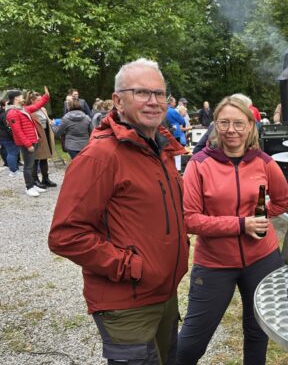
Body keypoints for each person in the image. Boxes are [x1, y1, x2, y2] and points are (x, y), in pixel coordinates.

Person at [48, 58, 189, 365]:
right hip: (128, 302)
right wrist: (132, 267)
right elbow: (65, 235)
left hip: (165, 293)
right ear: (118, 101)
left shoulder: (157, 148)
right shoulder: (100, 156)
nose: (153, 102)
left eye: (159, 93)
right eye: (141, 93)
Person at [177, 95, 288, 365]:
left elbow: (284, 200)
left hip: (263, 259)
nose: (232, 130)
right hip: (215, 263)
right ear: (215, 125)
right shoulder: (199, 164)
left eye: (239, 123)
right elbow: (190, 219)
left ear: (251, 126)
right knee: (192, 342)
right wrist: (241, 224)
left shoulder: (264, 161)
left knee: (257, 332)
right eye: (224, 122)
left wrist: (261, 217)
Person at [6, 87, 50, 197]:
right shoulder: (12, 113)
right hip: (27, 143)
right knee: (28, 166)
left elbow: (36, 106)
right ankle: (29, 187)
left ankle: (33, 184)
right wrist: (28, 144)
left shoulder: (23, 109)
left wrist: (46, 97)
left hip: (33, 141)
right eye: (21, 96)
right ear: (16, 98)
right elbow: (18, 131)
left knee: (31, 165)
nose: (23, 98)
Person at [24, 91, 56, 187]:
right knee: (35, 159)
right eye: (38, 100)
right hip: (36, 136)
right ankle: (35, 180)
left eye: (41, 100)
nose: (41, 102)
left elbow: (47, 120)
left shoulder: (42, 109)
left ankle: (45, 178)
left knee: (44, 158)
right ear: (31, 100)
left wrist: (50, 122)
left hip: (45, 135)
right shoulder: (28, 110)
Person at [0, 98, 20, 177]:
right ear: (3, 106)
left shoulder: (2, 113)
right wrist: (14, 135)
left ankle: (13, 168)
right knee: (12, 153)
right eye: (7, 104)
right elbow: (9, 127)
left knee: (11, 153)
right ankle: (13, 170)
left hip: (4, 137)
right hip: (7, 137)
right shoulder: (4, 115)